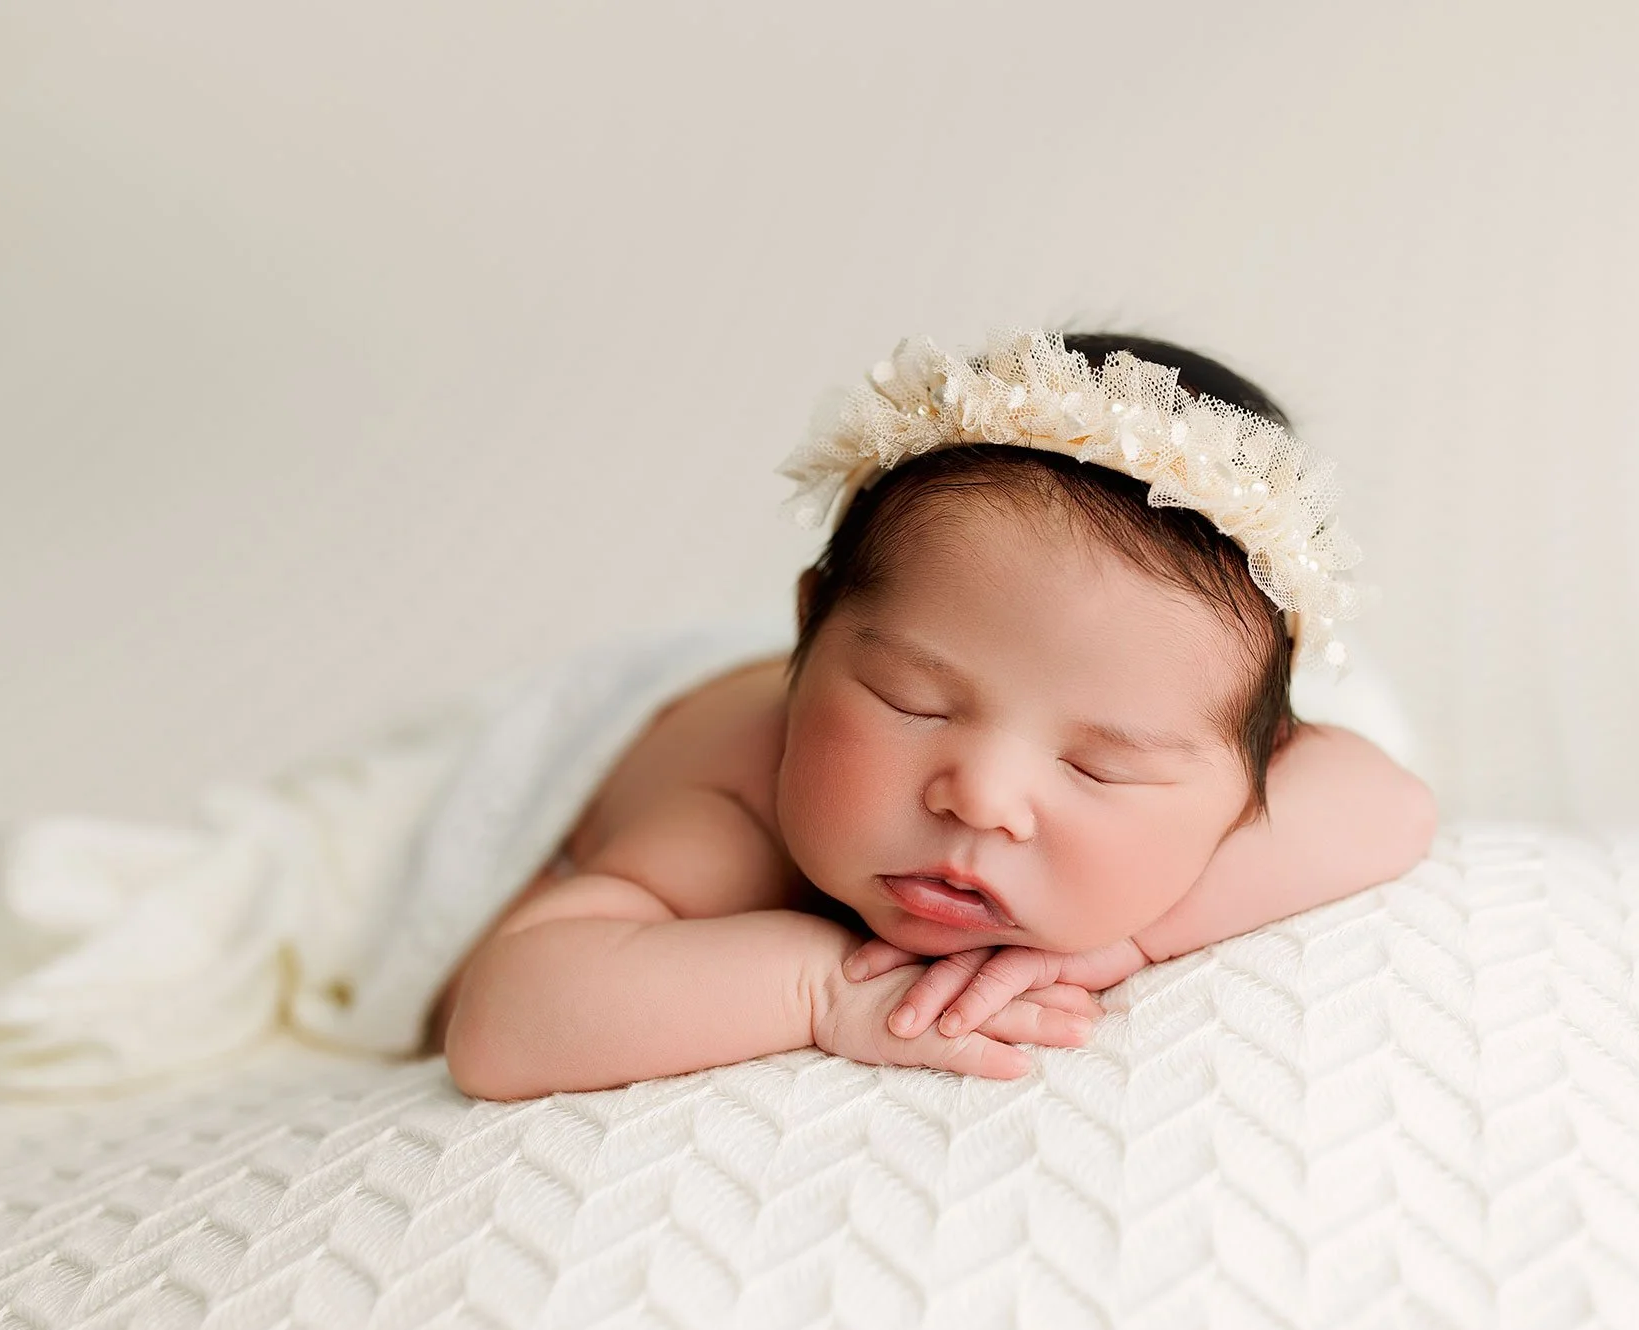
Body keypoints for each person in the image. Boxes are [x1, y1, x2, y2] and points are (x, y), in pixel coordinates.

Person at [439, 330, 1436, 1100]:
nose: (983, 797)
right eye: (911, 704)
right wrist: (824, 990)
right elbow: (502, 1020)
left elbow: (1387, 803)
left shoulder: (1201, 711)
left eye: (1097, 768)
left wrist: (1122, 943)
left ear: (1266, 755)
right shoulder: (737, 807)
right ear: (805, 639)